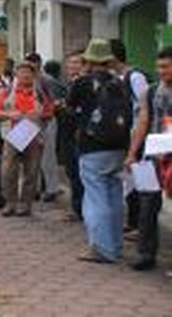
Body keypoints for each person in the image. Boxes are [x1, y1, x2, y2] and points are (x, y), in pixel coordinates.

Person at [67, 39, 132, 263]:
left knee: (95, 198)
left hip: (92, 147)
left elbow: (70, 109)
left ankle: (101, 248)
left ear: (89, 60)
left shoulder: (82, 82)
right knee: (114, 195)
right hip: (119, 146)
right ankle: (116, 245)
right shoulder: (120, 82)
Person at [123, 47, 172, 271]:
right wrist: (133, 153)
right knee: (148, 204)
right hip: (153, 156)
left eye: (166, 66)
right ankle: (145, 253)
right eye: (159, 66)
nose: (161, 71)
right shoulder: (151, 92)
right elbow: (142, 122)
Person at [0, 62, 54, 217]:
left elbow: (49, 112)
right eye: (21, 72)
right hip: (12, 134)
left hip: (34, 134)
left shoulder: (40, 93)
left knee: (32, 170)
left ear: (33, 75)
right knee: (8, 169)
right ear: (16, 75)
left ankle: (25, 204)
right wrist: (10, 114)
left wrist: (38, 114)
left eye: (28, 72)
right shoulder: (7, 91)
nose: (25, 75)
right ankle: (10, 202)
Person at [110, 40, 149, 238]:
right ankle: (133, 222)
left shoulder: (135, 76)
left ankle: (140, 225)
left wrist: (136, 135)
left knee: (139, 181)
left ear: (114, 56)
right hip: (124, 136)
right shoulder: (115, 78)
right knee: (129, 180)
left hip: (138, 136)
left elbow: (144, 108)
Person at [26, 52, 61, 202]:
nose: (29, 66)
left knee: (48, 156)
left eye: (32, 63)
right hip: (33, 120)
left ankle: (52, 189)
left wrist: (46, 109)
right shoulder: (28, 80)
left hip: (48, 120)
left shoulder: (47, 80)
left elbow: (56, 100)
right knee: (34, 155)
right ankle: (39, 187)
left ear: (39, 63)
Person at [62, 51, 85, 220]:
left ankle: (80, 209)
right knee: (72, 172)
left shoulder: (84, 84)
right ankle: (77, 208)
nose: (72, 66)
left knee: (78, 173)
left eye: (77, 62)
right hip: (67, 134)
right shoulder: (70, 83)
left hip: (79, 134)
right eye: (70, 63)